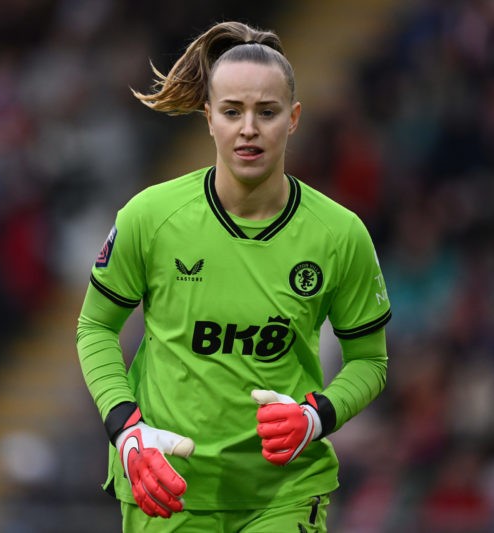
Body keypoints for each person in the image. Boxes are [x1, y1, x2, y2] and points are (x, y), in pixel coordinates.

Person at [76, 20, 391, 532]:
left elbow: (370, 361)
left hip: (283, 491)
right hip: (166, 479)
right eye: (232, 111)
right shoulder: (150, 217)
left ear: (293, 119)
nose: (249, 128)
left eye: (266, 112)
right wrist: (125, 429)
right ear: (208, 118)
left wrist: (317, 416)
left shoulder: (340, 234)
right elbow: (95, 328)